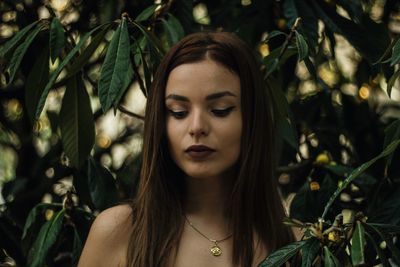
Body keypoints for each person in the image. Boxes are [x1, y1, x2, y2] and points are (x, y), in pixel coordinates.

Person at [78, 31, 293, 267]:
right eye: (178, 112)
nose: (197, 127)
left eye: (220, 109)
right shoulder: (118, 232)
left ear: (251, 119)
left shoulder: (294, 246)